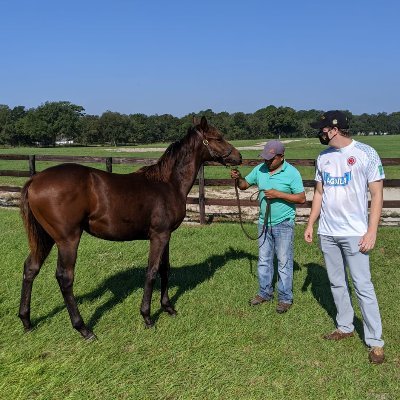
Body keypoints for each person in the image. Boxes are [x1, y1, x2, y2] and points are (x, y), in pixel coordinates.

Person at [304, 110, 385, 364]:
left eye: (323, 128)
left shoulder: (366, 154)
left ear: (334, 129)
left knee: (363, 286)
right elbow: (319, 193)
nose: (321, 132)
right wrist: (311, 223)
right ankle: (345, 326)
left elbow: (377, 195)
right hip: (328, 232)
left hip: (355, 234)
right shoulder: (323, 157)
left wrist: (371, 231)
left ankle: (375, 342)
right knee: (337, 282)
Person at [231, 140, 305, 313]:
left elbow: (301, 198)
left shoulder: (292, 173)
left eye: (270, 159)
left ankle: (285, 298)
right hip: (264, 222)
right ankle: (265, 293)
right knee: (264, 260)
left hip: (284, 223)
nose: (267, 162)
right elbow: (244, 186)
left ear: (281, 157)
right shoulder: (260, 169)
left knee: (284, 261)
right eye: (265, 158)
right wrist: (238, 178)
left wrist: (277, 194)